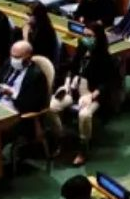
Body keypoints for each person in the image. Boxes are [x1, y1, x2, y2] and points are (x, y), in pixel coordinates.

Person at [45, 25, 115, 166]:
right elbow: (72, 68)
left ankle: (83, 149)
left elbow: (107, 83)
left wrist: (92, 96)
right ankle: (61, 138)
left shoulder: (105, 57)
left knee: (84, 115)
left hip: (92, 93)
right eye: (84, 35)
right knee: (51, 107)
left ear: (98, 38)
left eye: (90, 36)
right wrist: (66, 84)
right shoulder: (81, 49)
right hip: (74, 89)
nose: (86, 39)